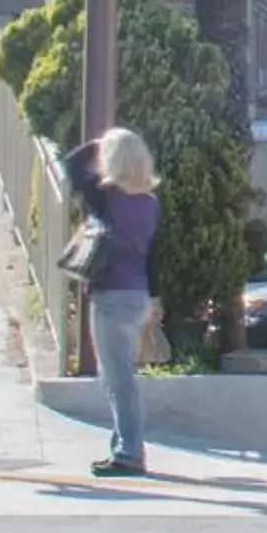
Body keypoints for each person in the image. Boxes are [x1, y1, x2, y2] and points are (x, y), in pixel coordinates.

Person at [64, 127, 161, 478]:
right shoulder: (150, 203)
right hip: (136, 294)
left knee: (118, 380)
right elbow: (154, 255)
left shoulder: (106, 198)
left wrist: (98, 142)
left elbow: (72, 166)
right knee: (122, 376)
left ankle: (129, 453)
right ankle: (124, 445)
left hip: (110, 295)